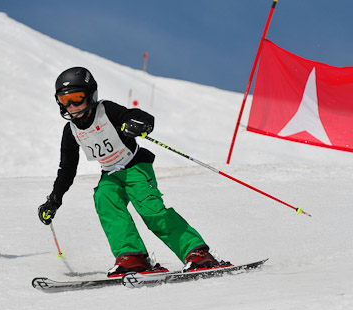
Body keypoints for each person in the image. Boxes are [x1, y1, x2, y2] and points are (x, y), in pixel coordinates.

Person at [38, 67, 227, 278]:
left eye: (77, 98)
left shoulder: (106, 110)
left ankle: (197, 252)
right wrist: (54, 200)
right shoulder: (71, 130)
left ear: (90, 94)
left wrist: (136, 124)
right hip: (110, 174)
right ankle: (133, 257)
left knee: (151, 210)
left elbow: (140, 116)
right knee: (104, 198)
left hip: (135, 166)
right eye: (65, 100)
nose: (71, 106)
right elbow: (67, 169)